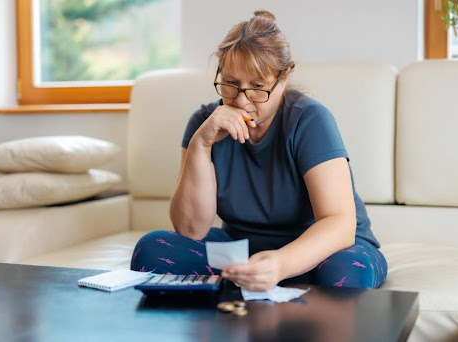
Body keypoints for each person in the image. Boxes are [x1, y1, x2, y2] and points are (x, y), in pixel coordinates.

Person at [130, 9, 387, 291]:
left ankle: (265, 283)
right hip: (245, 251)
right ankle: (257, 286)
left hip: (323, 250)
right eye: (231, 83)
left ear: (284, 78)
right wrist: (200, 145)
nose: (242, 100)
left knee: (346, 273)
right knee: (153, 250)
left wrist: (281, 264)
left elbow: (339, 223)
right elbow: (191, 230)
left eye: (257, 86)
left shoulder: (310, 120)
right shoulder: (204, 124)